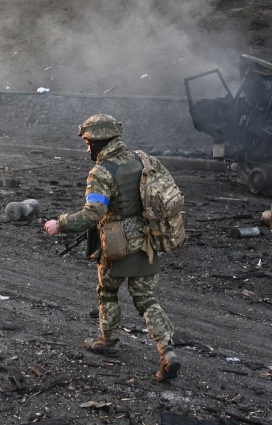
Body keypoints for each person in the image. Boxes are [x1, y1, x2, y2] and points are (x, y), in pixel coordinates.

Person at [44, 114, 181, 382]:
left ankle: (108, 341)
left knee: (107, 291)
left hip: (116, 244)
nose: (87, 149)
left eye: (89, 144)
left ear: (99, 142)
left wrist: (60, 224)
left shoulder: (101, 172)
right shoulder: (141, 159)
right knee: (146, 298)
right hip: (147, 239)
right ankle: (167, 350)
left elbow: (93, 213)